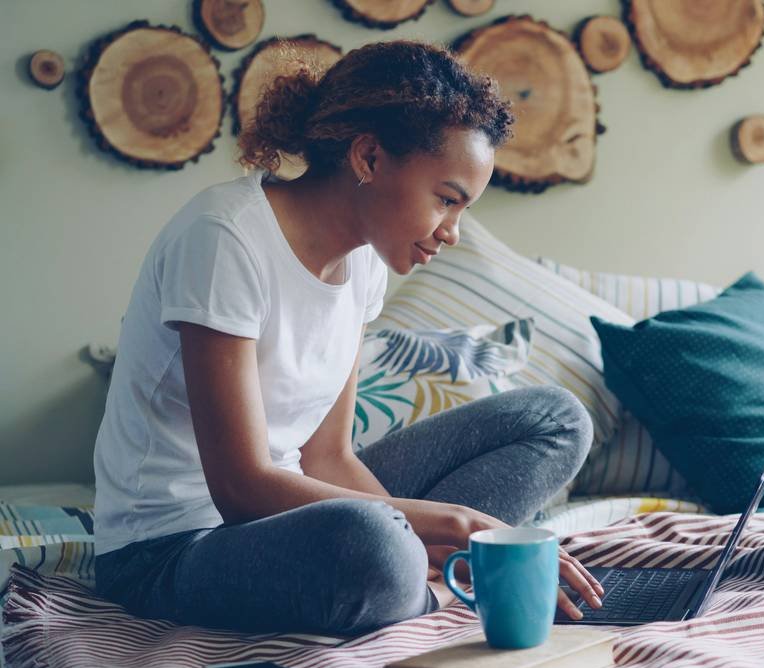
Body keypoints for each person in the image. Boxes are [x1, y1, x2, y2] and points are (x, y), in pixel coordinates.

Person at [92, 40, 604, 635]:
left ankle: (423, 577)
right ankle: (430, 581)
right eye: (446, 200)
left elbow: (328, 457)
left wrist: (411, 533)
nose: (453, 232)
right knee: (372, 546)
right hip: (171, 549)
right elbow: (240, 488)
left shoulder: (364, 261)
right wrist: (454, 525)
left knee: (557, 419)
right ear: (368, 157)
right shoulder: (223, 238)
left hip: (297, 508)